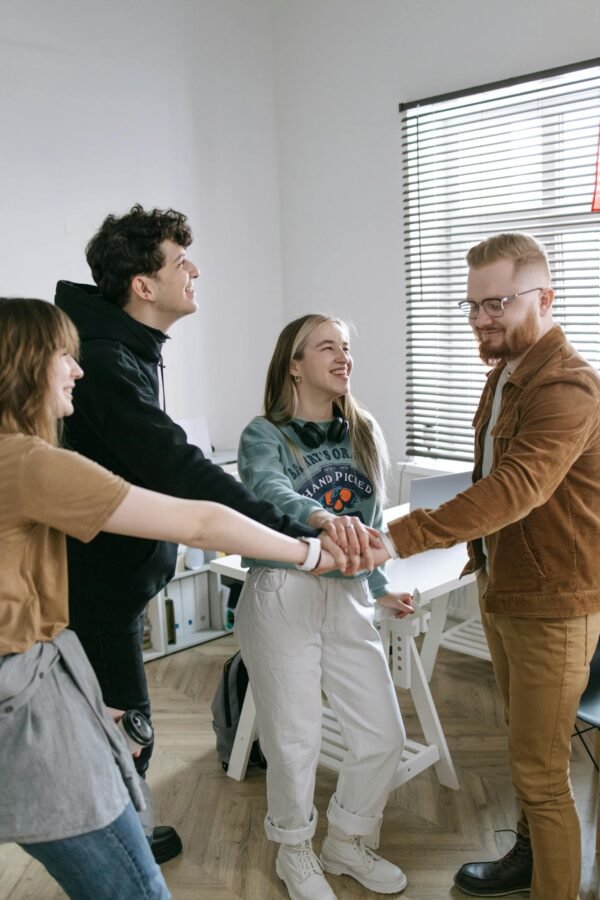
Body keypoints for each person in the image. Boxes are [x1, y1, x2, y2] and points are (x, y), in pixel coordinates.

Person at [0, 297, 346, 900]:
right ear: (26, 364)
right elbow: (201, 524)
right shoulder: (28, 463)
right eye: (64, 356)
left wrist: (77, 705)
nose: (78, 371)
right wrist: (310, 551)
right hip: (23, 712)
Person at [54, 205, 348, 862]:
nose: (196, 270)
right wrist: (292, 532)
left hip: (114, 585)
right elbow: (180, 469)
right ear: (143, 285)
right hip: (96, 592)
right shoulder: (105, 361)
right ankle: (123, 852)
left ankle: (124, 832)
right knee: (126, 729)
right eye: (179, 261)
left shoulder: (126, 349)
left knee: (117, 725)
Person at [382, 233, 600, 900]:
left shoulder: (566, 387)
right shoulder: (506, 374)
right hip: (506, 589)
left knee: (541, 771)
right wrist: (470, 562)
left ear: (545, 298)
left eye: (497, 303)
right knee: (524, 753)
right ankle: (528, 860)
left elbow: (514, 489)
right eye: (472, 304)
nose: (481, 319)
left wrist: (400, 539)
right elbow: (485, 480)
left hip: (555, 604)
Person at [235, 313, 413, 900]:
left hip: (348, 592)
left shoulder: (363, 431)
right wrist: (320, 516)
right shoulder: (265, 433)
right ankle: (294, 851)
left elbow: (374, 522)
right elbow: (267, 489)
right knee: (293, 739)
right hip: (283, 589)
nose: (343, 357)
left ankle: (346, 842)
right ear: (294, 363)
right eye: (326, 347)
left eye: (346, 347)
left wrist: (381, 583)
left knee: (383, 734)